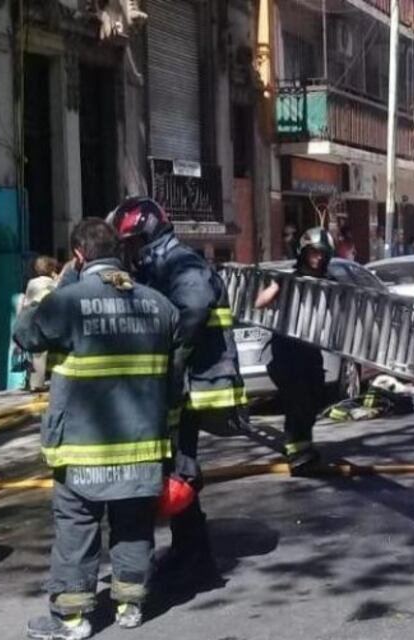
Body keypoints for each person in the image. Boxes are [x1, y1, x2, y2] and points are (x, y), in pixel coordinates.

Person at [16, 219, 180, 639]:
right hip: (142, 447)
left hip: (82, 449)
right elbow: (175, 375)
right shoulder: (160, 305)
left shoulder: (67, 301)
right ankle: (130, 605)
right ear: (122, 252)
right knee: (133, 526)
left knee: (77, 530)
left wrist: (57, 287)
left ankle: (71, 620)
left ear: (78, 255)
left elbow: (24, 334)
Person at [107, 196, 247, 589]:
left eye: (132, 242)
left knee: (181, 468)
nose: (129, 250)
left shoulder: (179, 261)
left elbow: (195, 305)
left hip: (195, 384)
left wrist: (170, 356)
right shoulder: (159, 263)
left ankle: (198, 562)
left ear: (147, 233)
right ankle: (190, 552)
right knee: (177, 466)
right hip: (184, 384)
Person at [255, 227, 336, 470]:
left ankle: (304, 445)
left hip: (311, 350)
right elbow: (261, 302)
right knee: (297, 399)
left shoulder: (330, 284)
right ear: (303, 253)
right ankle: (297, 451)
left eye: (322, 254)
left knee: (313, 397)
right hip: (287, 351)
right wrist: (276, 288)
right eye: (313, 253)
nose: (318, 258)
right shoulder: (286, 279)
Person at [21, 255, 60, 391]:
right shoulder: (52, 282)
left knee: (36, 353)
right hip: (47, 320)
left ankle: (33, 381)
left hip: (32, 320)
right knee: (43, 353)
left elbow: (26, 301)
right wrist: (56, 277)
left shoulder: (31, 283)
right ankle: (38, 384)